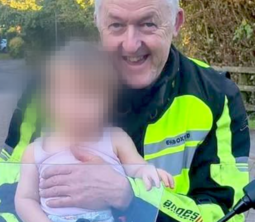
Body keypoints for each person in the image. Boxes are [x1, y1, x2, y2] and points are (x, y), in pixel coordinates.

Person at [0, 0, 250, 222]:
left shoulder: (216, 96)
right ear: (98, 23)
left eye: (148, 24)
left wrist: (129, 196)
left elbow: (227, 213)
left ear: (177, 23)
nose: (131, 44)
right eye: (116, 25)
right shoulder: (51, 89)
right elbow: (2, 198)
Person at [15, 44, 174, 222]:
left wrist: (148, 172)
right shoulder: (35, 151)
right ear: (50, 101)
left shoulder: (115, 139)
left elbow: (136, 166)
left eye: (89, 97)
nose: (76, 108)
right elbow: (25, 199)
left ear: (108, 102)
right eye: (66, 95)